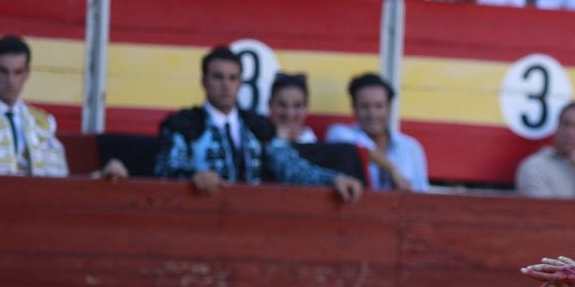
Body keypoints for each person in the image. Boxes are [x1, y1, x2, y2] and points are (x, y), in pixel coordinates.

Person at [155, 46, 363, 201]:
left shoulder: (257, 127)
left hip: (251, 218)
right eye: (218, 77)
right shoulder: (183, 124)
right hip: (199, 215)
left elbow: (291, 166)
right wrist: (193, 176)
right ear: (204, 81)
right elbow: (166, 169)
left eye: (232, 78)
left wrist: (334, 179)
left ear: (240, 83)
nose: (225, 85)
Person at [0, 35, 126, 188]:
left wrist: (101, 176)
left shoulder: (41, 123)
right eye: (3, 71)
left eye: (17, 72)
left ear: (27, 73)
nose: (10, 81)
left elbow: (60, 183)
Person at [324, 72, 429, 190]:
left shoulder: (411, 148)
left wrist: (406, 190)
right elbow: (358, 149)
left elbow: (421, 192)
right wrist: (391, 168)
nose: (372, 114)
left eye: (379, 106)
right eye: (364, 106)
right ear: (353, 107)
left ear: (389, 107)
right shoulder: (338, 134)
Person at [514, 101, 575, 199]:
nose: (569, 132)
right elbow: (541, 209)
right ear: (557, 127)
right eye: (566, 124)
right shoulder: (536, 166)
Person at [268, 72, 317, 143]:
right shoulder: (255, 141)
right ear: (270, 105)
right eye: (282, 105)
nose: (289, 113)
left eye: (297, 106)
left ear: (306, 107)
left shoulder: (313, 144)